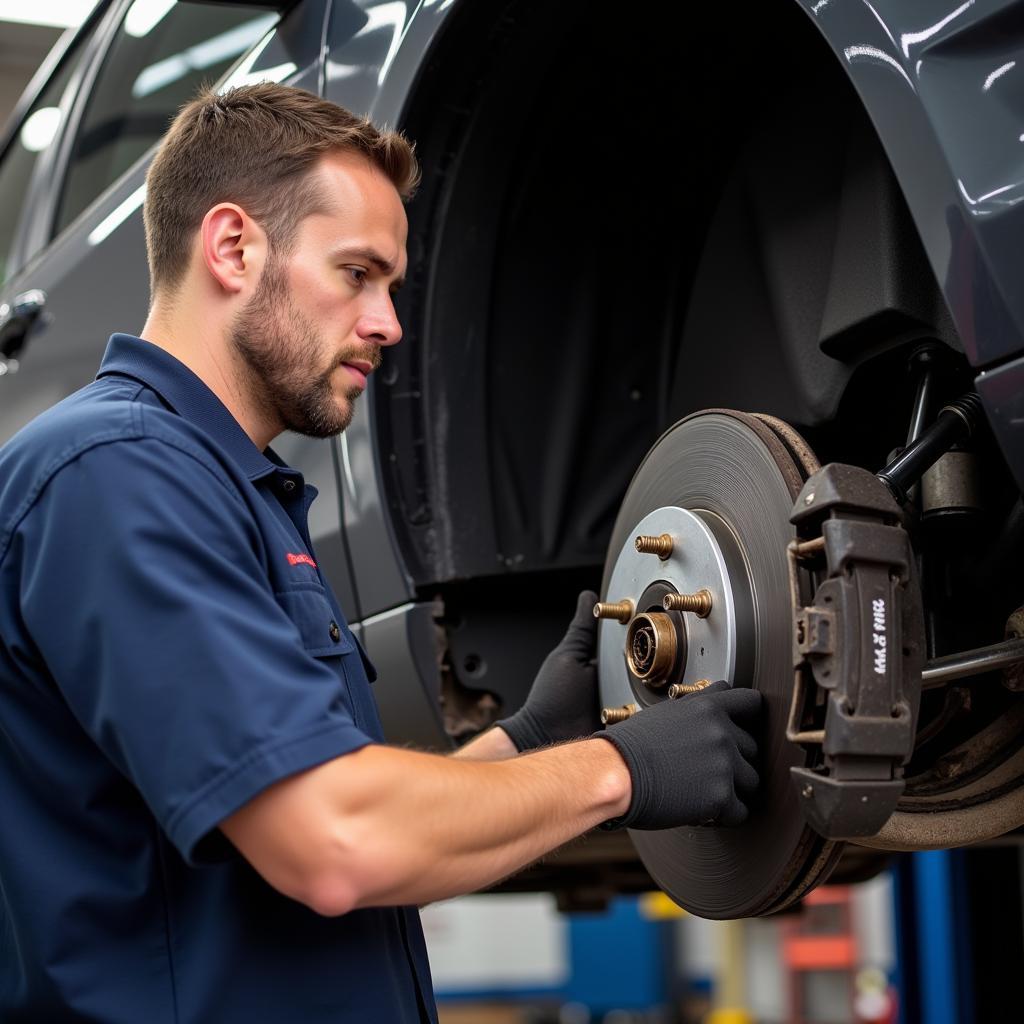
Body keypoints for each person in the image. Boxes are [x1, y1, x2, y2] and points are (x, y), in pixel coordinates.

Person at [0, 83, 761, 1022]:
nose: (389, 323)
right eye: (357, 273)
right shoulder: (115, 474)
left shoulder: (229, 490)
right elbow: (336, 843)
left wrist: (530, 742)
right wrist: (622, 772)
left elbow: (359, 836)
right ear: (233, 248)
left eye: (391, 286)